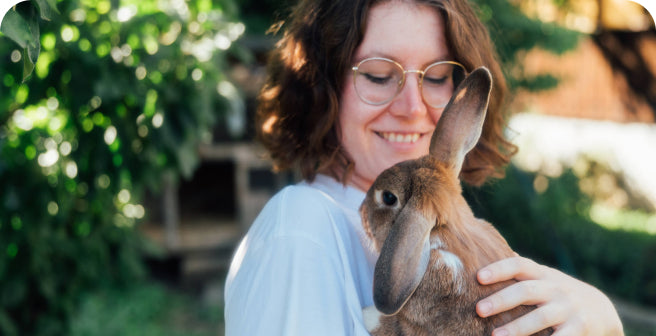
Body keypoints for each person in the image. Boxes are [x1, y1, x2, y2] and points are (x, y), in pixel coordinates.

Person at [224, 0, 625, 334]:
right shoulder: (301, 226)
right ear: (322, 84)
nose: (413, 109)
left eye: (435, 77)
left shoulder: (447, 234)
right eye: (379, 76)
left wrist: (601, 316)